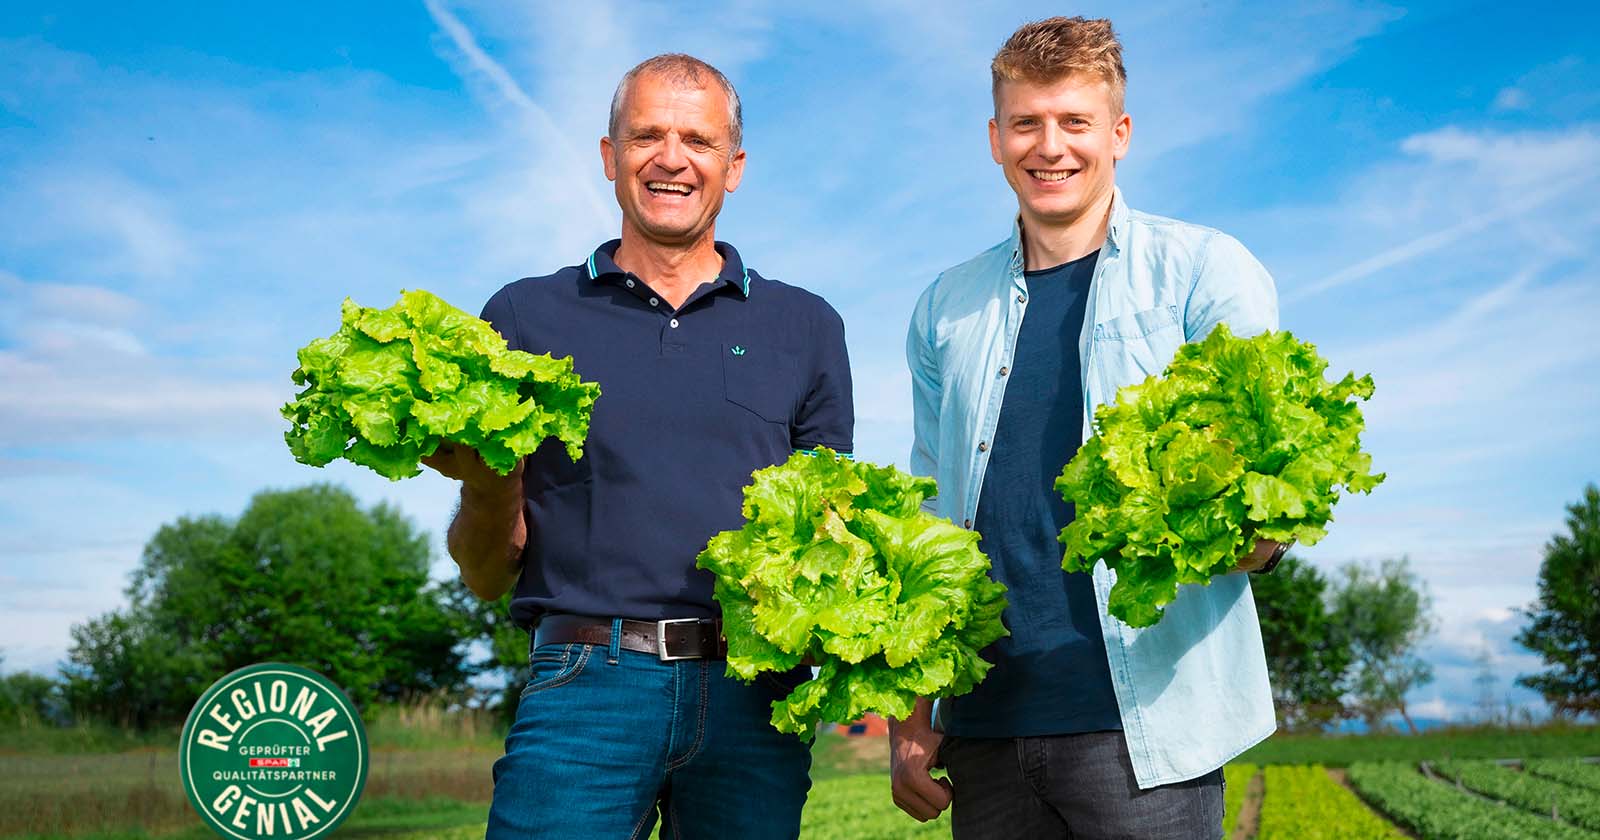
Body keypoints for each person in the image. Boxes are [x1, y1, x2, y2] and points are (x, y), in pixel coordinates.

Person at [424, 53, 853, 840]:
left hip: (754, 695)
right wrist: (487, 485)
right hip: (585, 687)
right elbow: (485, 576)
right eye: (647, 136)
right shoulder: (521, 318)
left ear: (734, 167)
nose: (671, 158)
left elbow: (829, 536)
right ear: (610, 156)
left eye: (698, 139)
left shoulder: (807, 327)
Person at [891, 17, 1285, 839]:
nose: (1051, 147)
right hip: (987, 727)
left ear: (1119, 133)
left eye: (1075, 121)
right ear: (995, 139)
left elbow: (1272, 465)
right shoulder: (944, 308)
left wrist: (1260, 536)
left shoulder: (1201, 271)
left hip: (1146, 729)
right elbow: (927, 516)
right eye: (1026, 123)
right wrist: (913, 708)